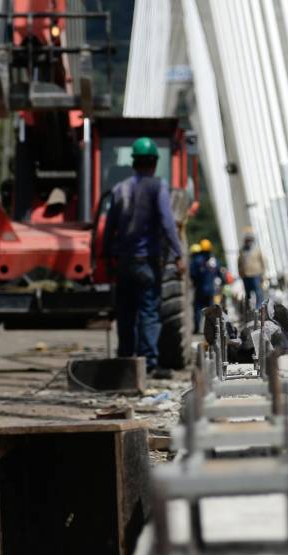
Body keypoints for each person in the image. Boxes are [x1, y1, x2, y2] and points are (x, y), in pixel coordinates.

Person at [104, 137, 185, 378]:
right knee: (149, 311)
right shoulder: (158, 187)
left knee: (126, 313)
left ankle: (126, 360)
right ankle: (148, 363)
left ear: (134, 163)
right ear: (154, 162)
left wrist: (107, 255)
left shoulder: (120, 189)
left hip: (124, 262)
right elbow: (168, 224)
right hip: (147, 262)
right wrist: (178, 254)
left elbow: (109, 227)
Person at [190, 238, 222, 333]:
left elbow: (192, 274)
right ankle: (213, 328)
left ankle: (196, 328)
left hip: (200, 289)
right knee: (211, 310)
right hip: (211, 290)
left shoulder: (196, 261)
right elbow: (219, 273)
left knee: (197, 309)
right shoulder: (214, 260)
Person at [238, 229, 266, 308]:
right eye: (247, 240)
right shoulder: (242, 251)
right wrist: (240, 273)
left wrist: (263, 274)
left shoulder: (257, 250)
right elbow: (239, 263)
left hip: (255, 274)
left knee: (258, 292)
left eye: (250, 240)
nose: (248, 242)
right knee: (248, 294)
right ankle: (248, 309)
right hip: (245, 275)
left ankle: (259, 308)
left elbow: (262, 261)